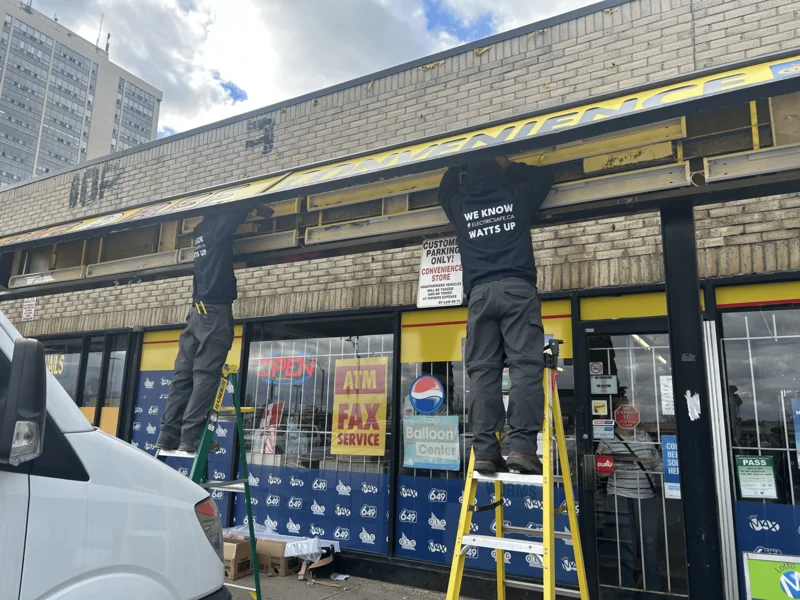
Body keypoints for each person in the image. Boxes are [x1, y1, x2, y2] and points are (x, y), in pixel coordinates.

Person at [437, 157, 553, 474]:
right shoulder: (516, 195)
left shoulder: (459, 205)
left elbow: (444, 186)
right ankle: (521, 448)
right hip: (517, 288)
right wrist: (510, 168)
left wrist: (458, 171)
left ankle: (486, 452)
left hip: (480, 295)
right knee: (525, 367)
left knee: (483, 373)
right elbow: (545, 173)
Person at [156, 205, 266, 452]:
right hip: (215, 310)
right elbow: (237, 209)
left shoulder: (201, 231)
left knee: (184, 374)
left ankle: (168, 434)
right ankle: (191, 437)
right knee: (206, 374)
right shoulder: (217, 227)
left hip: (196, 311)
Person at [596, 398, 664, 595]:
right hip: (620, 495)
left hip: (647, 496)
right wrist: (609, 464)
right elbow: (601, 473)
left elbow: (656, 465)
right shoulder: (607, 439)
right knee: (626, 545)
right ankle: (626, 590)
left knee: (651, 544)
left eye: (632, 412)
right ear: (616, 416)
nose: (629, 416)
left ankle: (654, 589)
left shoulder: (644, 437)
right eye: (624, 412)